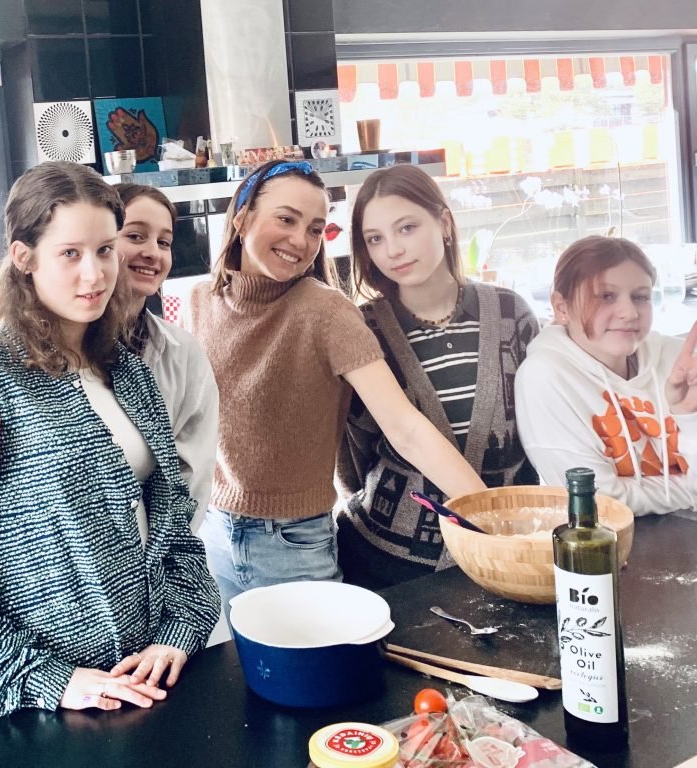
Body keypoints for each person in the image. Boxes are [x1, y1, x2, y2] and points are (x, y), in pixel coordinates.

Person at [0, 162, 221, 718]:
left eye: (105, 250)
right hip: (51, 706)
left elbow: (172, 522)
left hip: (157, 677)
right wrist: (44, 679)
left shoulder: (129, 372)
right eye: (69, 253)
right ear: (24, 257)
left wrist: (179, 631)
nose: (94, 274)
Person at [187, 159, 486, 609]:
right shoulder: (198, 301)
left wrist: (489, 512)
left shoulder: (326, 311)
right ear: (242, 217)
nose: (300, 241)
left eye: (315, 229)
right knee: (240, 657)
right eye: (286, 219)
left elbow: (405, 427)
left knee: (320, 658)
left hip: (292, 544)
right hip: (212, 530)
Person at [337, 164, 540, 588]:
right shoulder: (361, 330)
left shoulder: (511, 313)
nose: (393, 250)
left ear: (444, 223)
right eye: (375, 239)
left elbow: (537, 432)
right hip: (389, 557)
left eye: (407, 228)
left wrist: (505, 524)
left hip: (511, 545)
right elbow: (352, 455)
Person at [515, 235, 697, 515]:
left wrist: (686, 415)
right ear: (562, 308)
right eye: (606, 296)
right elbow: (597, 501)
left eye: (640, 297)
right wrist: (691, 489)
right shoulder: (544, 378)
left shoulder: (679, 361)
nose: (629, 313)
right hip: (611, 540)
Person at [115, 182, 219, 527]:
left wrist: (167, 549)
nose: (152, 253)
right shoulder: (60, 350)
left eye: (164, 242)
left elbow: (193, 476)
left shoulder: (183, 353)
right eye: (135, 236)